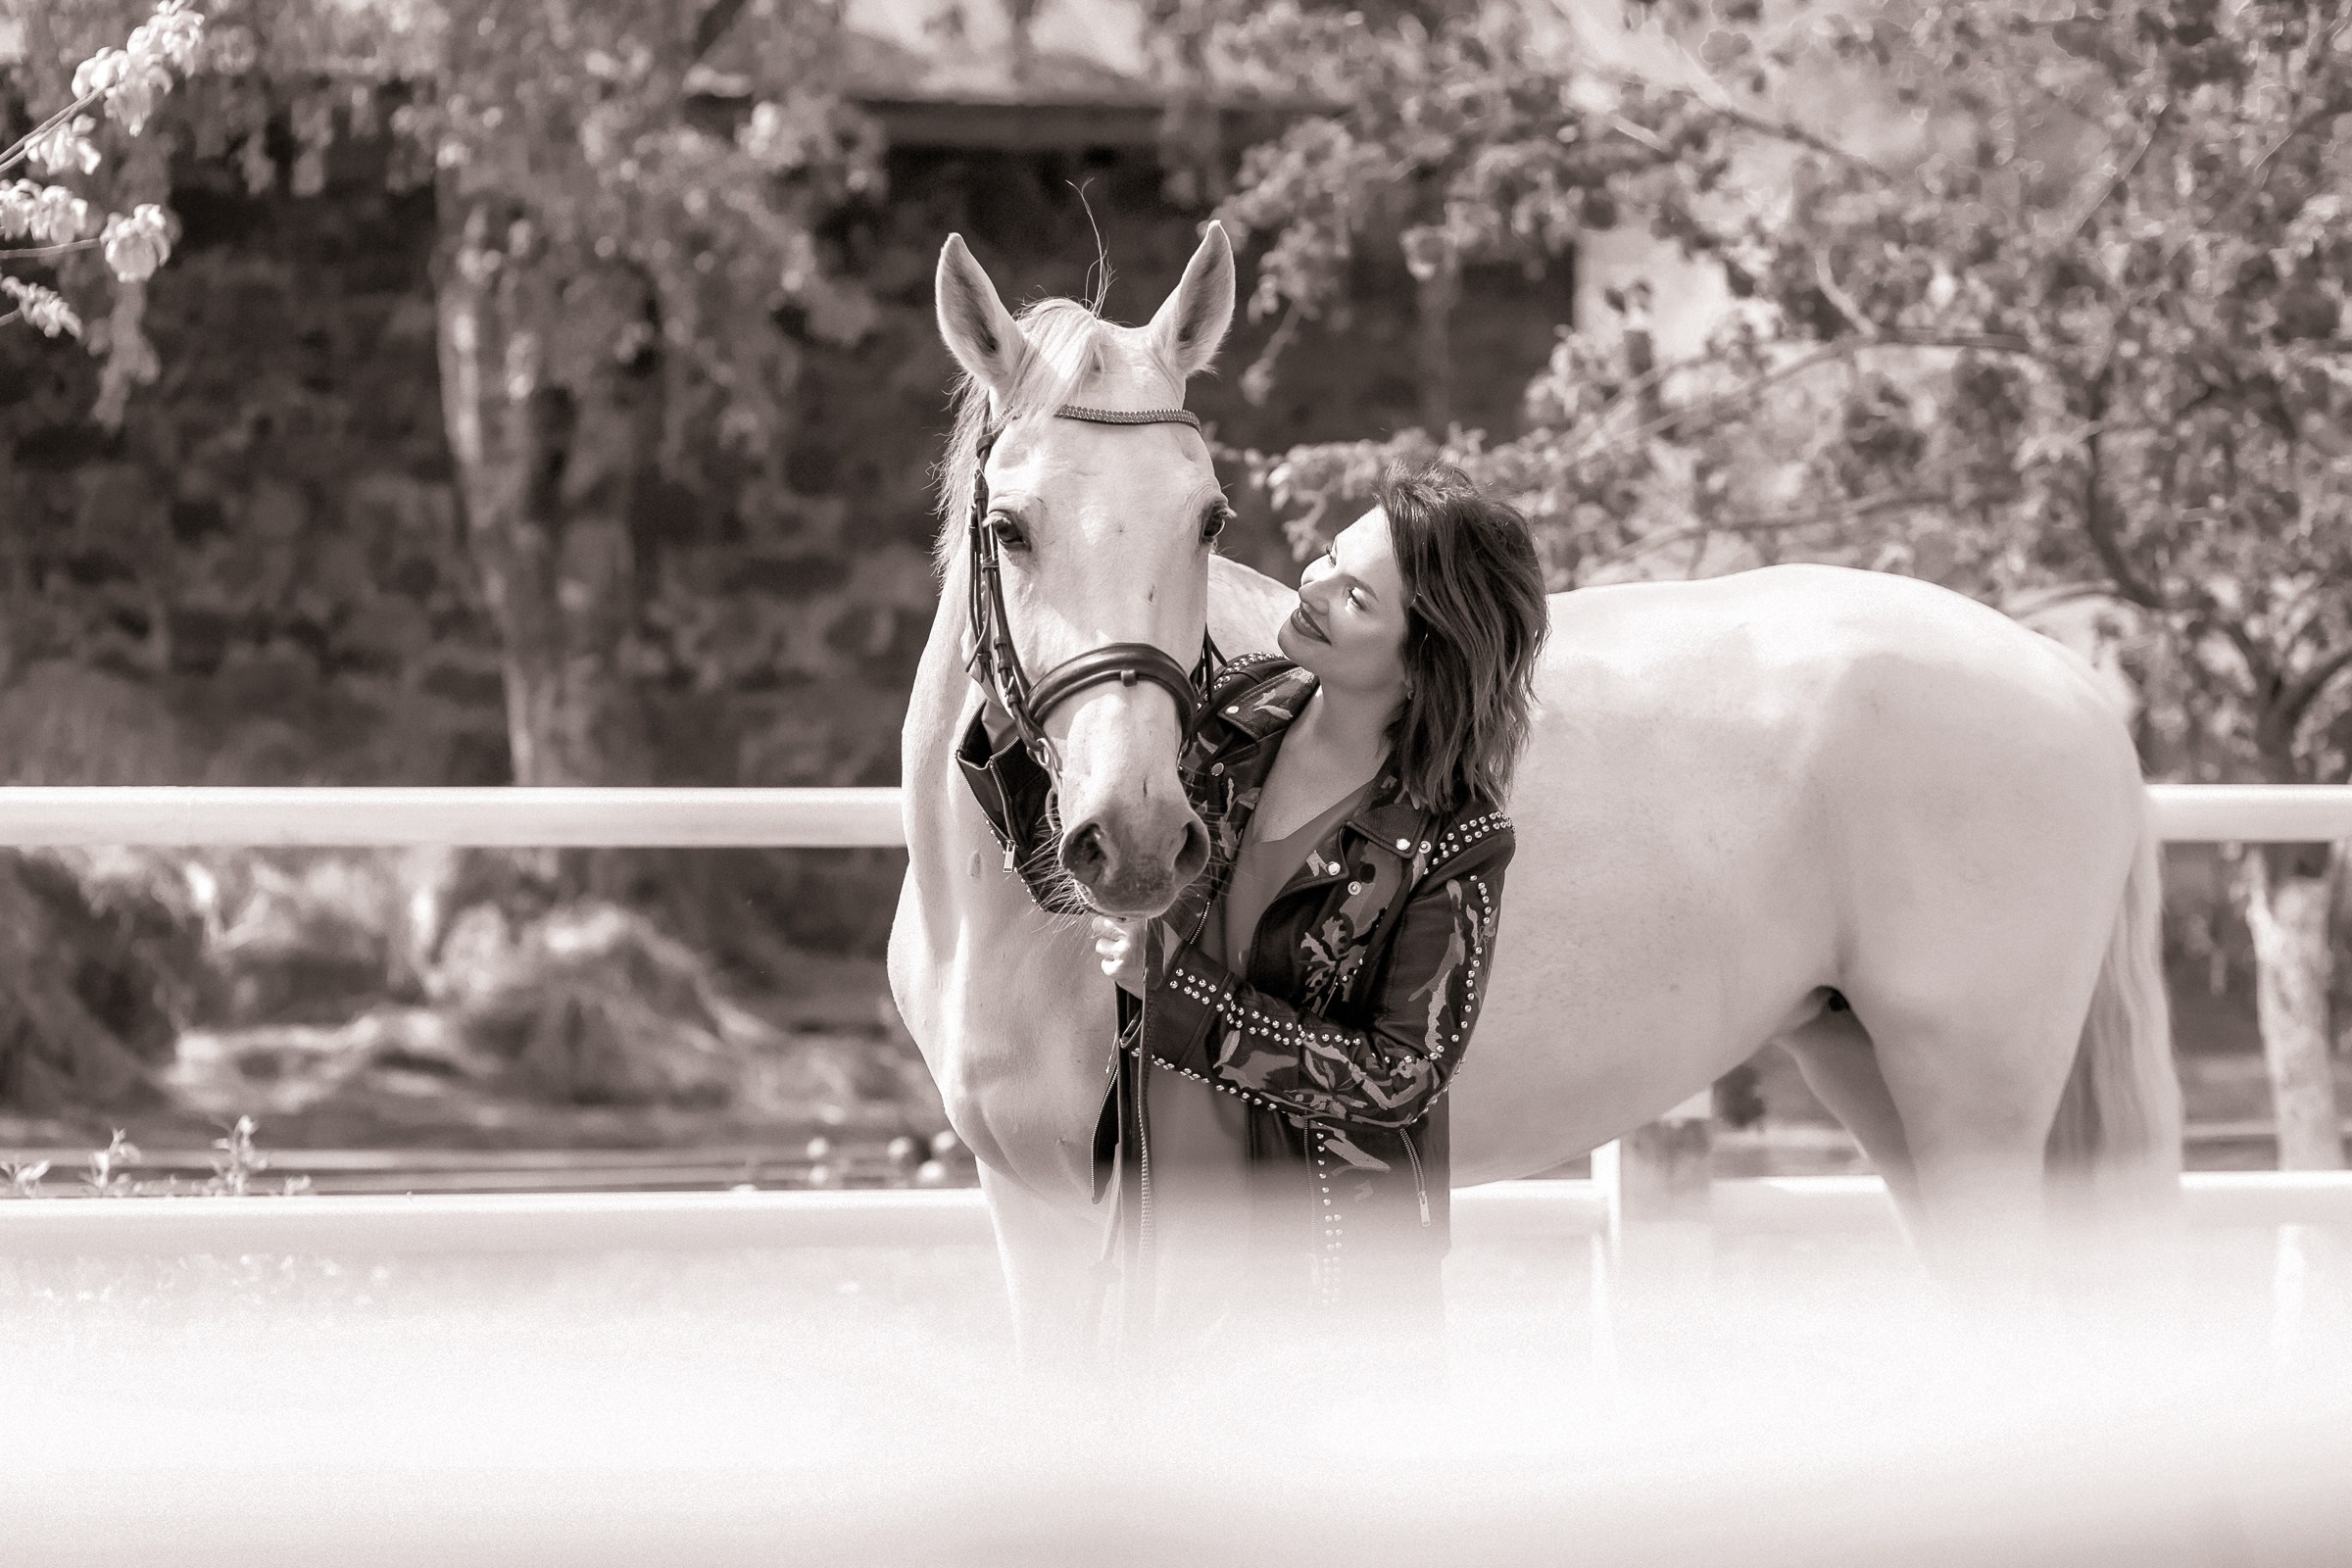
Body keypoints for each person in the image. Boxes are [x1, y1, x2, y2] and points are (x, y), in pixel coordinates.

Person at [1090, 460, 1549, 1366]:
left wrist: (1176, 992)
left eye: (1358, 598)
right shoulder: (1232, 713)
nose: (1314, 587)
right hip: (1159, 1216)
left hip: (1331, 1278)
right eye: (1333, 557)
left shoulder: (1458, 838)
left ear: (1425, 658)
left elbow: (1401, 1076)